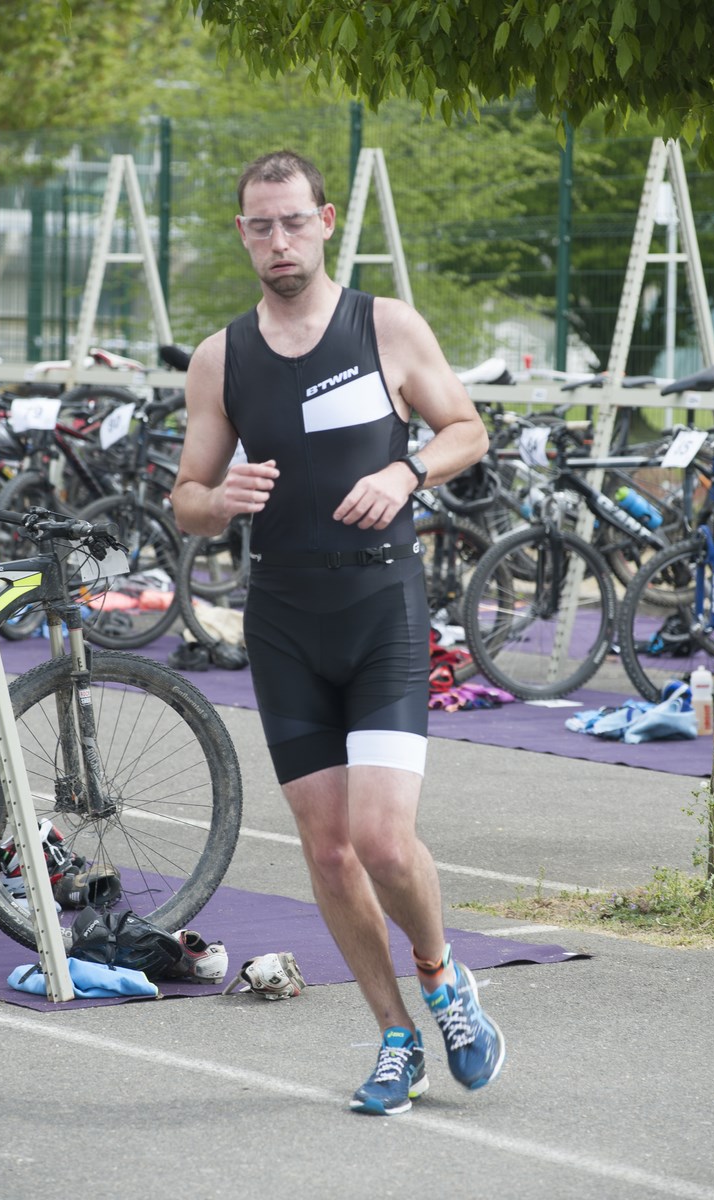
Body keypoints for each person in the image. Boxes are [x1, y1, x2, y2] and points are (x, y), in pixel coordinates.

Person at [172, 149, 505, 1116]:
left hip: (380, 608)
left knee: (382, 842)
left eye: (293, 221)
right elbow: (186, 498)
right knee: (326, 853)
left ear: (323, 221)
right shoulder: (221, 357)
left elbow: (467, 429)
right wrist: (218, 501)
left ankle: (442, 979)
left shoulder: (384, 326)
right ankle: (395, 1036)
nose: (278, 240)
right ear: (243, 234)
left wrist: (407, 472)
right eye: (259, 225)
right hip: (283, 618)